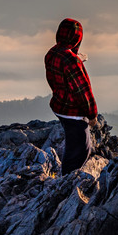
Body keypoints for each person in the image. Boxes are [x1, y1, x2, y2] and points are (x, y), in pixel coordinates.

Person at [44, 18, 99, 173]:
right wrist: (92, 115)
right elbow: (83, 91)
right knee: (81, 151)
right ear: (77, 38)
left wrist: (78, 58)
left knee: (74, 144)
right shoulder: (72, 61)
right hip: (72, 112)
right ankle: (66, 183)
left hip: (58, 106)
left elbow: (61, 69)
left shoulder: (52, 53)